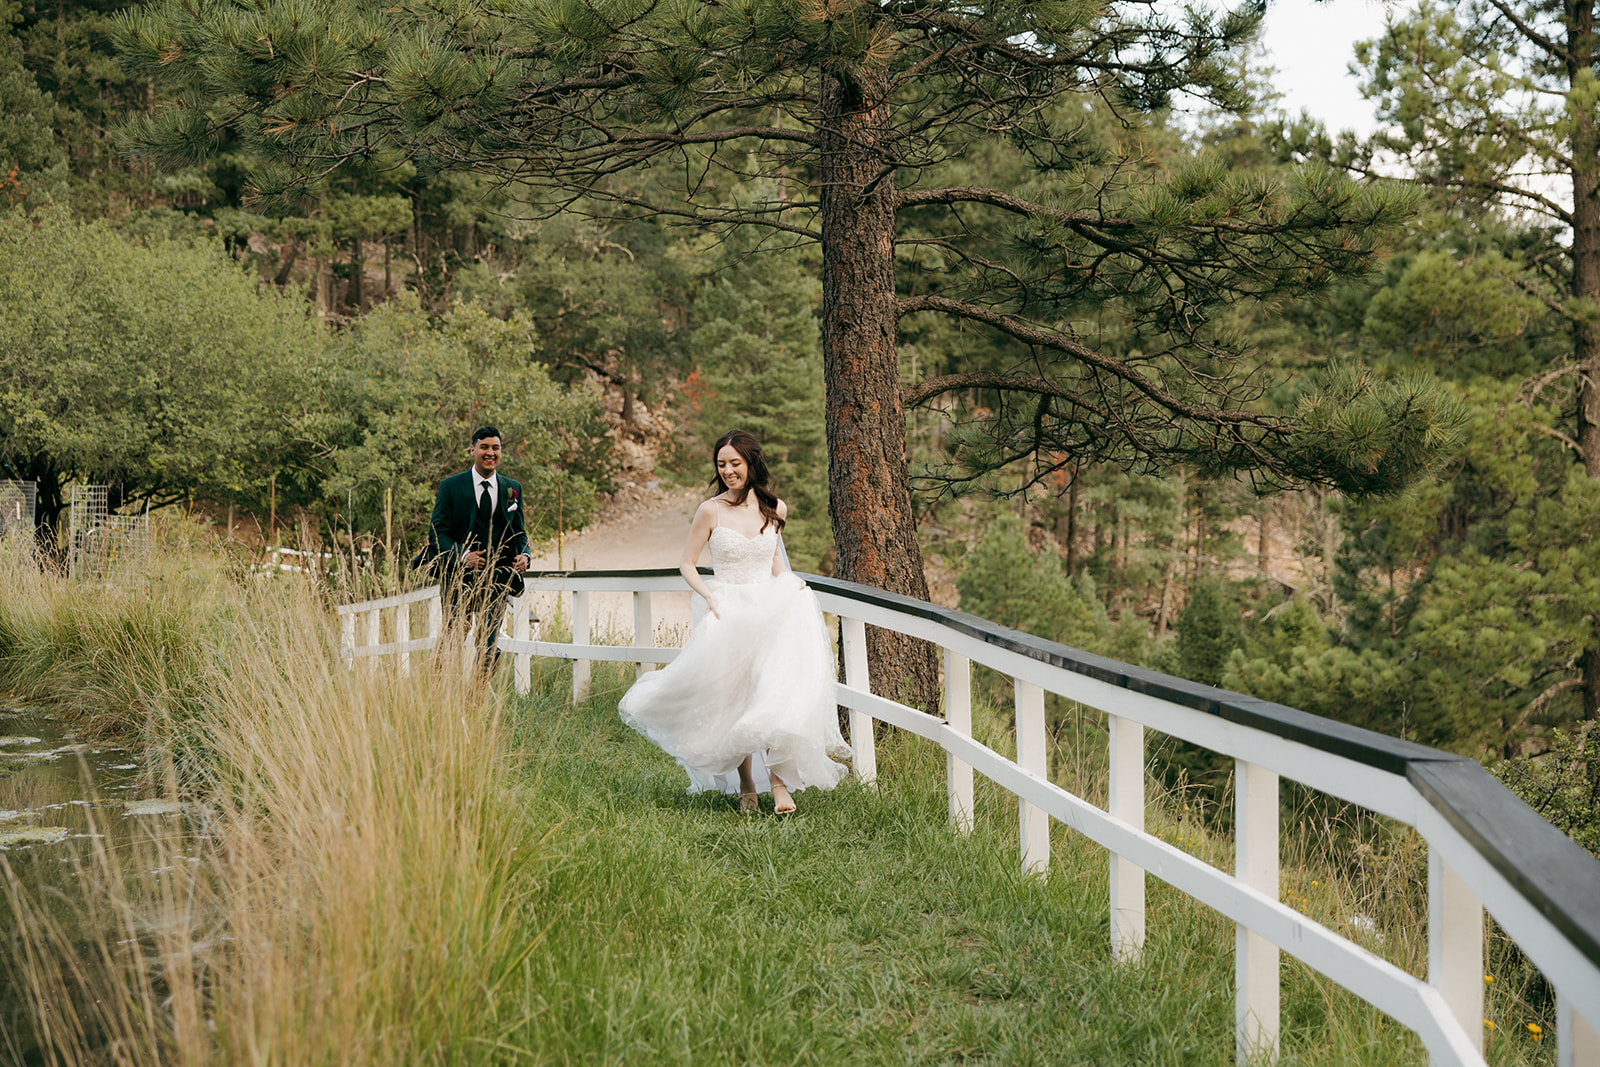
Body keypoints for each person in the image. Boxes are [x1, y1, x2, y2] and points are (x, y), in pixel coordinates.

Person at [618, 429, 850, 815]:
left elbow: (773, 561)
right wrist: (708, 595)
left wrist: (793, 585)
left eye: (735, 464)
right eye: (722, 464)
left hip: (768, 609)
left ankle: (777, 784)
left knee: (771, 692)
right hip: (728, 608)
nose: (728, 471)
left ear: (751, 464)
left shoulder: (775, 507)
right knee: (735, 699)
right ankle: (746, 787)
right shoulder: (711, 510)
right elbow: (687, 563)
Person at [421, 426, 531, 666]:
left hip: (497, 574)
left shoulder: (512, 489)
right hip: (458, 575)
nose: (490, 452)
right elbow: (437, 533)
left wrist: (525, 556)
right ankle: (438, 688)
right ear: (472, 450)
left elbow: (519, 532)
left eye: (495, 447)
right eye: (484, 447)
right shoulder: (451, 486)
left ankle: (476, 698)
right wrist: (462, 556)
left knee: (490, 642)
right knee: (454, 634)